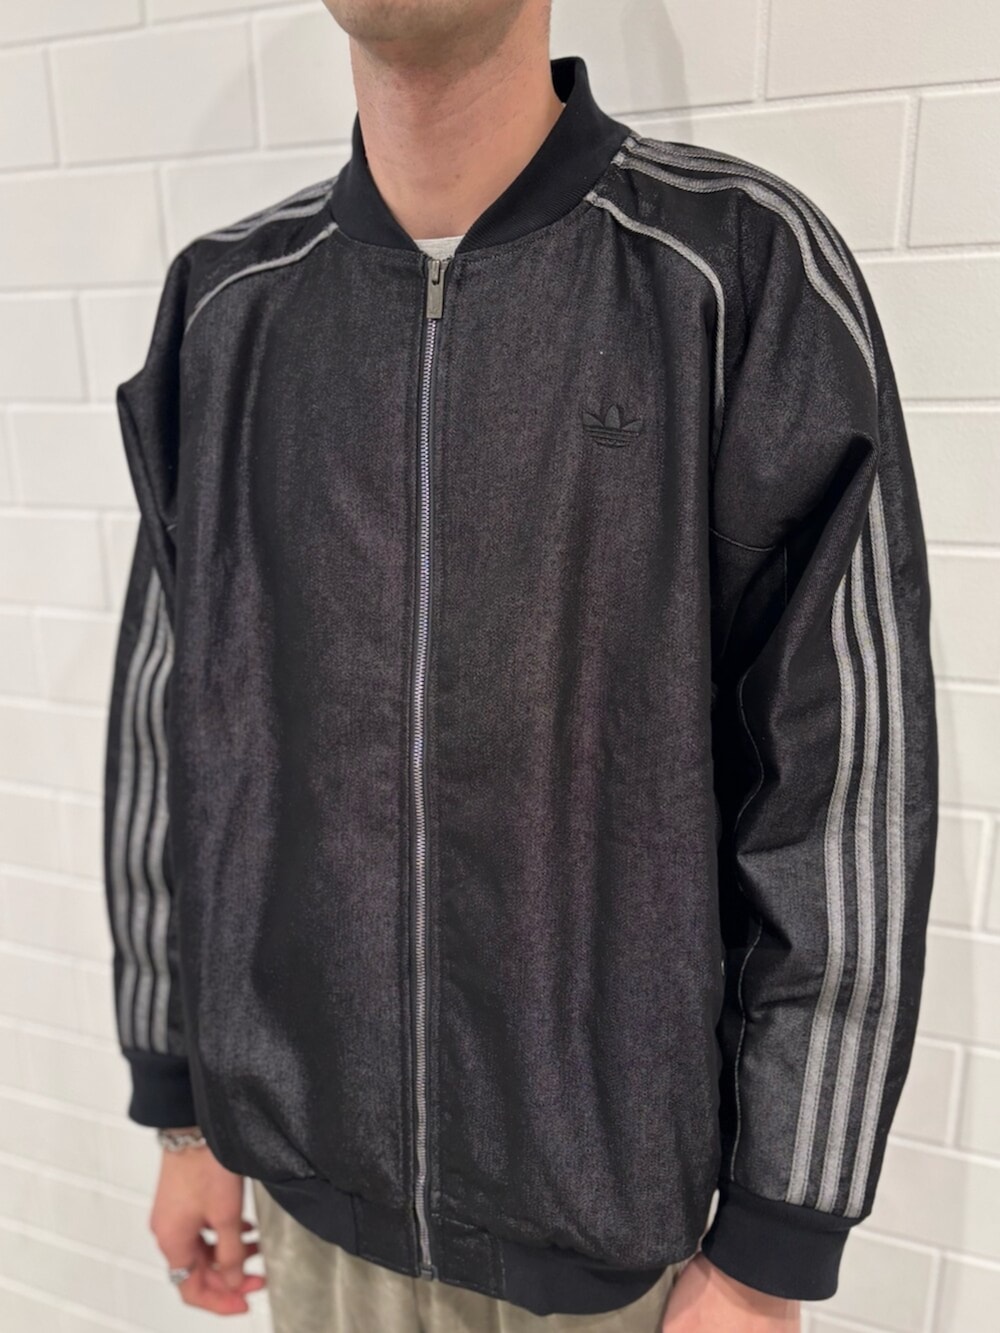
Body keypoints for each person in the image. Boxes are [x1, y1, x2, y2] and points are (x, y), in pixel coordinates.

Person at [101, 1, 938, 1330]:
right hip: (309, 1214)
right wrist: (182, 1104)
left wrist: (775, 1240)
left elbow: (841, 776)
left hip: (621, 1258)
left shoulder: (734, 270)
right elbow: (171, 731)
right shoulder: (227, 310)